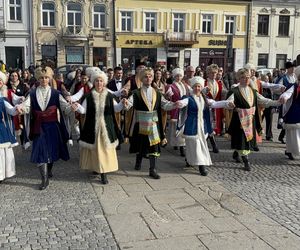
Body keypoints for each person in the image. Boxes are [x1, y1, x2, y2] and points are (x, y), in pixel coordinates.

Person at [20, 66, 76, 190]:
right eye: (42, 78)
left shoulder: (56, 93)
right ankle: (44, 179)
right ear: (38, 79)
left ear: (50, 79)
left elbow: (64, 108)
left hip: (52, 127)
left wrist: (71, 108)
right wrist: (22, 108)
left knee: (51, 150)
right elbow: (27, 106)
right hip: (38, 127)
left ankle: (49, 169)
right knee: (40, 150)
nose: (44, 80)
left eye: (46, 78)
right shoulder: (33, 93)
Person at [124, 68, 177, 179]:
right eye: (146, 77)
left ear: (152, 78)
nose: (148, 79)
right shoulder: (135, 93)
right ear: (141, 79)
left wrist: (175, 104)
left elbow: (165, 104)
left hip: (153, 123)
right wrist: (125, 103)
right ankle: (138, 163)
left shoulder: (157, 93)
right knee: (141, 145)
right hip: (140, 123)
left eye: (150, 76)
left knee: (154, 146)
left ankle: (152, 169)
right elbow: (128, 105)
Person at [176, 76, 234, 175]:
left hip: (203, 126)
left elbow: (215, 104)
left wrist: (227, 104)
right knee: (192, 145)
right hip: (192, 125)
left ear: (201, 87)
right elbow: (183, 103)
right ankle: (193, 162)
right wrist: (179, 103)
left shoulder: (205, 99)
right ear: (192, 87)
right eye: (195, 86)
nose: (197, 88)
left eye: (199, 86)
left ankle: (199, 165)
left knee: (199, 146)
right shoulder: (188, 98)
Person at [227, 68, 282, 171]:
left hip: (250, 119)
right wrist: (232, 106)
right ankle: (246, 161)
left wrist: (277, 102)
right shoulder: (234, 91)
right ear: (239, 79)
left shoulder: (253, 91)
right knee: (242, 139)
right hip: (239, 120)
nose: (246, 79)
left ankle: (236, 153)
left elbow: (263, 100)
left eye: (247, 77)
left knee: (246, 139)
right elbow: (229, 103)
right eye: (243, 77)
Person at [77, 71, 124, 184]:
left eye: (101, 81)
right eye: (97, 81)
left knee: (104, 151)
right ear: (94, 82)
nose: (99, 83)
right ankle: (96, 168)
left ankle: (104, 173)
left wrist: (122, 103)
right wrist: (77, 106)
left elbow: (116, 108)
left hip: (106, 128)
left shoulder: (109, 95)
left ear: (104, 83)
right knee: (95, 151)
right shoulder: (88, 96)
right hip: (92, 128)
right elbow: (83, 110)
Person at [0, 71, 21, 183]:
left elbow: (11, 110)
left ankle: (1, 174)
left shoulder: (3, 100)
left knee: (1, 153)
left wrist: (16, 109)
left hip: (1, 129)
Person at [165, 68, 190, 156]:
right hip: (175, 108)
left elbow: (191, 93)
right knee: (175, 128)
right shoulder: (170, 86)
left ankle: (181, 146)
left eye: (180, 76)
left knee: (182, 128)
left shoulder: (186, 85)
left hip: (185, 108)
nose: (178, 78)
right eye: (177, 76)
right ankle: (177, 145)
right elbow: (169, 98)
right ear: (174, 77)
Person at [280, 65, 300, 160]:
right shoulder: (294, 86)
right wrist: (284, 97)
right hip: (295, 112)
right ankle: (290, 151)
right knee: (293, 134)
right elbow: (288, 93)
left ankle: (289, 151)